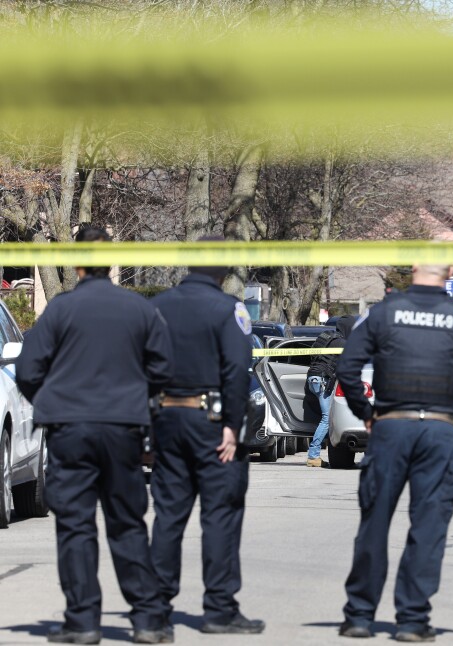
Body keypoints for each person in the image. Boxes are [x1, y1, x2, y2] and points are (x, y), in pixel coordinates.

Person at [15, 225, 174, 645]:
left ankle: (83, 622)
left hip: (70, 431)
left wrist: (54, 399)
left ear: (78, 262)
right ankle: (147, 620)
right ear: (112, 263)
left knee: (75, 525)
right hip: (123, 429)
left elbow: (28, 370)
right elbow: (163, 369)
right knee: (127, 523)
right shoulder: (139, 311)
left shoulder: (60, 311)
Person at [334, 264, 453, 642]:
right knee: (428, 526)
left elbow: (347, 367)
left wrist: (366, 414)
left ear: (413, 270)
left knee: (375, 521)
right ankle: (412, 621)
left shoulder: (382, 313)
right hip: (441, 430)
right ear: (447, 274)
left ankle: (360, 617)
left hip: (390, 427)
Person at [148, 250, 265, 636]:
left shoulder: (158, 306)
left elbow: (142, 366)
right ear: (222, 272)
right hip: (213, 424)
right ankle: (219, 609)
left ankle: (155, 613)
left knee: (168, 517)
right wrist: (232, 426)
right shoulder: (228, 309)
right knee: (220, 515)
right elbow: (236, 370)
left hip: (166, 418)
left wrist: (149, 424)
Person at [305, 315, 357, 467]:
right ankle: (313, 456)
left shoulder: (325, 337)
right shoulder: (343, 343)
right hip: (323, 380)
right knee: (327, 419)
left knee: (324, 417)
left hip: (313, 378)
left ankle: (318, 451)